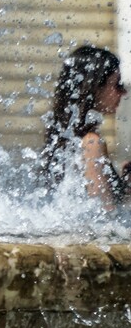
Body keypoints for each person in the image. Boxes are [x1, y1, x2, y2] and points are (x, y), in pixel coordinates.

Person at [41, 45, 130, 211]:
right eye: (117, 84)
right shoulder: (91, 143)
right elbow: (104, 217)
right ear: (94, 87)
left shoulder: (66, 137)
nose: (124, 92)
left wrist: (124, 186)